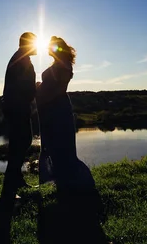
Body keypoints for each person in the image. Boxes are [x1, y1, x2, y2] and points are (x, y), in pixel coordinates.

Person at [36, 36, 95, 193]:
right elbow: (52, 85)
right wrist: (40, 88)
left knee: (62, 145)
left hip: (57, 108)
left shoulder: (64, 65)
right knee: (52, 144)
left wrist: (43, 96)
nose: (47, 49)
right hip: (49, 108)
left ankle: (71, 182)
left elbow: (60, 88)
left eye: (50, 46)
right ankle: (59, 182)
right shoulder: (57, 63)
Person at [0, 31, 37, 194]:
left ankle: (16, 179)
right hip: (17, 108)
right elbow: (24, 88)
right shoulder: (22, 60)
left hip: (16, 107)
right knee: (19, 144)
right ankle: (11, 186)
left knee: (22, 142)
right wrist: (37, 89)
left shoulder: (21, 58)